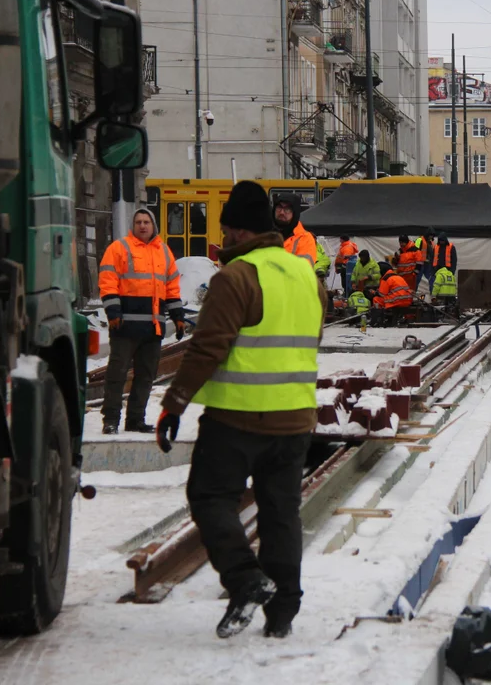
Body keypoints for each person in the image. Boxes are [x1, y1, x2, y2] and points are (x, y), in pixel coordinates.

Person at [156, 181, 327, 640]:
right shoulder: (304, 274)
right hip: (295, 418)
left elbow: (206, 348)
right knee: (281, 514)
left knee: (210, 497)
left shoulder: (235, 277)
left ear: (235, 231)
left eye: (226, 230)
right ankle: (283, 613)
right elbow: (312, 337)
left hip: (236, 419)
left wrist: (173, 405)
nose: (223, 239)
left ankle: (245, 579)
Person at [99, 209, 185, 435]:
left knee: (145, 377)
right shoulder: (118, 249)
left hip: (152, 328)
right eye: (138, 222)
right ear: (133, 225)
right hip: (125, 327)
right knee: (116, 376)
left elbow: (172, 288)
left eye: (146, 222)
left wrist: (178, 318)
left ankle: (135, 419)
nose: (142, 225)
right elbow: (108, 282)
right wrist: (113, 313)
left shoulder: (164, 252)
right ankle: (110, 420)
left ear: (153, 225)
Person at [273, 194, 316, 268]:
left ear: (295, 213)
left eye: (287, 209)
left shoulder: (305, 239)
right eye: (279, 207)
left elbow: (302, 270)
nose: (282, 212)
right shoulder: (264, 233)